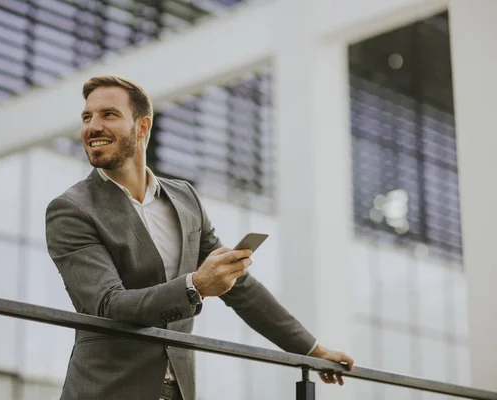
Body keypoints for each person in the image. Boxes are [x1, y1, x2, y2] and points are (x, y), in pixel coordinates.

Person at [45, 75, 354, 400]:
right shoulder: (71, 210)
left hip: (179, 391)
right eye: (86, 117)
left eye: (108, 114)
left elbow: (240, 287)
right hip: (107, 391)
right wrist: (196, 286)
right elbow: (109, 305)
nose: (93, 126)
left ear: (142, 127)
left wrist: (311, 349)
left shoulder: (185, 199)